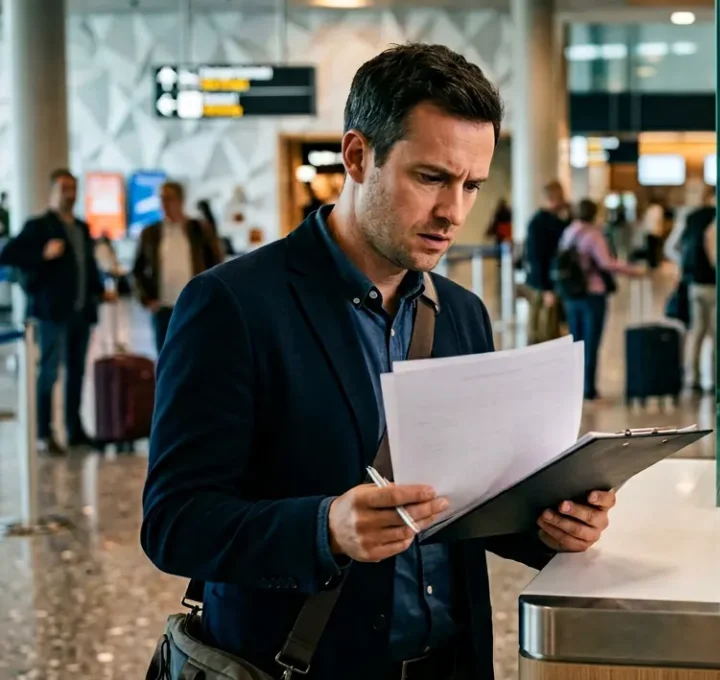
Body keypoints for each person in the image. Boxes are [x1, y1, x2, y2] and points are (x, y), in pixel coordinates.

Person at [140, 44, 617, 680]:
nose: (454, 212)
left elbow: (463, 501)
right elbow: (174, 522)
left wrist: (547, 526)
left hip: (451, 663)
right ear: (358, 156)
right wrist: (324, 528)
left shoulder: (462, 313)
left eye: (471, 185)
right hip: (301, 666)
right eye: (431, 178)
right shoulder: (233, 305)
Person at [0, 170, 108, 453]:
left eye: (73, 188)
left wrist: (100, 290)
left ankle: (75, 429)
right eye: (64, 189)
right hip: (52, 313)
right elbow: (8, 254)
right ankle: (43, 433)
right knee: (49, 372)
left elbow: (87, 266)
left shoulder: (81, 228)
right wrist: (42, 255)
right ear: (52, 191)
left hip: (81, 311)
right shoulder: (39, 226)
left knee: (76, 372)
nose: (69, 194)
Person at [558, 198, 644, 401]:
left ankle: (575, 386)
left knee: (575, 342)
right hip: (592, 294)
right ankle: (589, 389)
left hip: (572, 294)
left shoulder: (569, 232)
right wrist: (632, 270)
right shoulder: (594, 235)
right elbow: (606, 263)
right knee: (591, 342)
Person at [132, 181, 224, 353]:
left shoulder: (198, 230)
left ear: (181, 200)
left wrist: (210, 298)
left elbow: (216, 263)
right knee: (165, 356)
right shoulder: (151, 233)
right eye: (162, 199)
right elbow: (138, 269)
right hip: (163, 308)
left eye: (169, 198)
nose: (165, 204)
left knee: (196, 354)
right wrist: (146, 298)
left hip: (194, 306)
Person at [678, 186, 717, 392]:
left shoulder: (692, 217)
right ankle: (715, 379)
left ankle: (692, 377)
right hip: (714, 283)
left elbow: (675, 246)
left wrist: (685, 269)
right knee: (715, 334)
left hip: (695, 282)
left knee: (696, 331)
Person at [522, 180, 571, 344]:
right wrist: (546, 289)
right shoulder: (539, 223)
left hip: (550, 283)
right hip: (541, 285)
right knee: (542, 332)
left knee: (552, 331)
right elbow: (536, 258)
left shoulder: (555, 221)